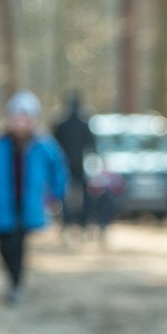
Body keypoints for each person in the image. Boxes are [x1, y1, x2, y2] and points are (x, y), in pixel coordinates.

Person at [0, 90, 68, 305]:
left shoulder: (44, 145)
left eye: (24, 119)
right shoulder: (0, 144)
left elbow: (58, 170)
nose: (19, 124)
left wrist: (57, 193)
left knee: (17, 246)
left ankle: (15, 285)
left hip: (27, 206)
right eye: (15, 119)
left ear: (33, 121)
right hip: (3, 206)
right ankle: (13, 280)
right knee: (2, 246)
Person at [52, 93, 95, 237]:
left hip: (66, 164)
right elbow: (91, 145)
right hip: (77, 164)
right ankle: (83, 222)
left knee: (65, 194)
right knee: (81, 194)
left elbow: (54, 144)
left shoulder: (61, 124)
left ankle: (67, 222)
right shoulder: (83, 124)